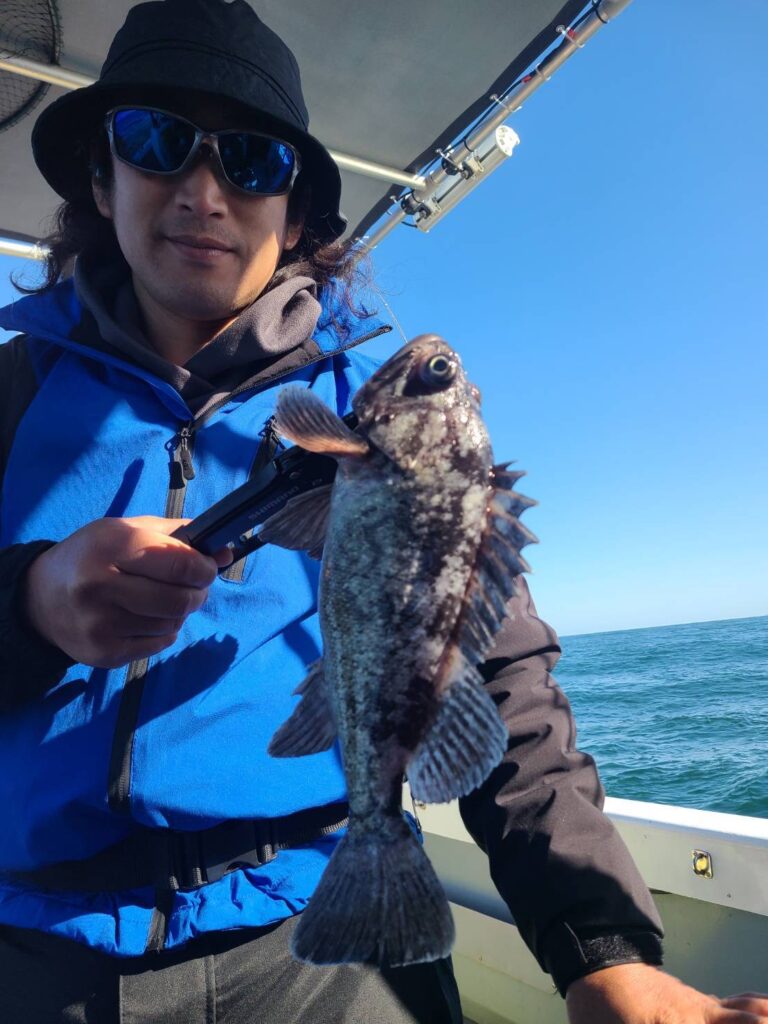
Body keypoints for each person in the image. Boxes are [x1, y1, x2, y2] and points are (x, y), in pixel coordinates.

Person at [0, 1, 766, 1021]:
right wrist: (29, 603)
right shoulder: (13, 394)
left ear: (295, 216)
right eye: (156, 141)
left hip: (319, 934)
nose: (204, 191)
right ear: (102, 179)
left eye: (253, 161)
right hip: (35, 952)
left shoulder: (364, 417)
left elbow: (495, 676)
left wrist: (603, 951)